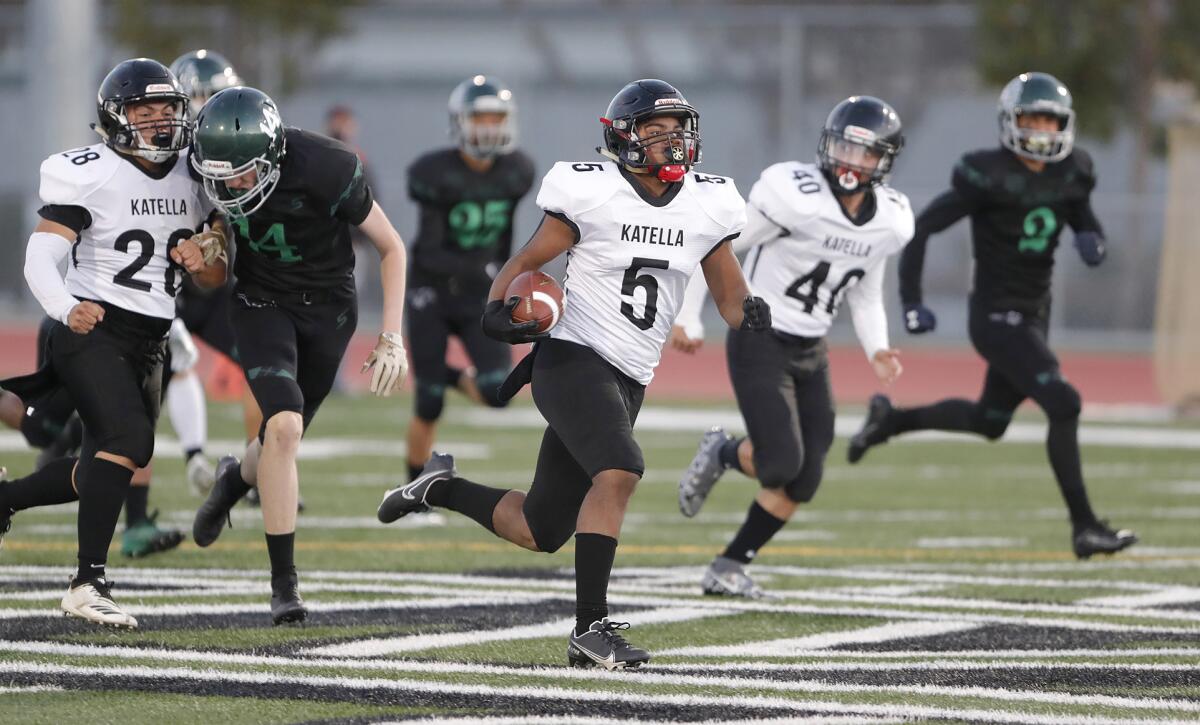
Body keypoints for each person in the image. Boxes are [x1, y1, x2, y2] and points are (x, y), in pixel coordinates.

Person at [376, 79, 771, 668]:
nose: (672, 143)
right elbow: (526, 261)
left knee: (540, 529)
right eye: (655, 133)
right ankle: (590, 632)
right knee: (621, 468)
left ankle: (438, 485)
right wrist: (496, 307)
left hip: (631, 375)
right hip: (572, 357)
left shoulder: (708, 204)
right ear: (626, 140)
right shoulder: (592, 191)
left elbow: (731, 295)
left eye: (677, 131)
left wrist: (757, 315)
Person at [846, 72, 1137, 559]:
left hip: (1034, 314)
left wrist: (1093, 238)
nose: (1042, 131)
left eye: (1051, 121)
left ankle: (889, 422)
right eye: (1033, 120)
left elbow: (1084, 216)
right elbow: (923, 230)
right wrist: (913, 301)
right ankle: (1085, 527)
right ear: (1011, 122)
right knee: (1064, 402)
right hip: (997, 316)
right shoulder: (986, 173)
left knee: (990, 421)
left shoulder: (1075, 170)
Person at [0, 58, 227, 627]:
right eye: (143, 112)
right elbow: (40, 256)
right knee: (130, 440)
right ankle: (87, 581)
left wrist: (209, 252)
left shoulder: (196, 172)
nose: (157, 122)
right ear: (116, 119)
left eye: (167, 110)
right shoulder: (90, 172)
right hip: (91, 325)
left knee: (103, 464)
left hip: (152, 334)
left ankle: (3, 502)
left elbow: (215, 274)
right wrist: (63, 307)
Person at [188, 86, 409, 625]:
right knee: (283, 427)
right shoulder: (210, 174)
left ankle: (232, 480)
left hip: (328, 309)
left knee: (277, 439)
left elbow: (392, 246)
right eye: (221, 174)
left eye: (242, 172)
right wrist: (206, 249)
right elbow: (215, 238)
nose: (231, 185)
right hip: (259, 300)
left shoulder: (328, 165)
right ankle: (283, 585)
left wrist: (391, 336)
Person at [674, 96, 911, 597]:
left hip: (811, 348)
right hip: (760, 337)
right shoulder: (795, 194)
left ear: (883, 161)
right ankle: (721, 451)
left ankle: (728, 565)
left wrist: (878, 349)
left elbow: (866, 292)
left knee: (805, 481)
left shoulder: (888, 220)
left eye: (866, 153)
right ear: (829, 144)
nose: (852, 160)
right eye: (846, 146)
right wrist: (688, 315)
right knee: (781, 463)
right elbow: (718, 247)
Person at [405, 75, 535, 487]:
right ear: (461, 122)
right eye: (480, 118)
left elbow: (506, 238)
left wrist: (504, 274)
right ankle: (414, 490)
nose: (489, 127)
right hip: (433, 289)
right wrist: (479, 269)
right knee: (428, 402)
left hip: (480, 291)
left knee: (499, 392)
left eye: (496, 118)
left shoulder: (517, 170)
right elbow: (427, 250)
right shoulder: (433, 172)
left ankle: (442, 373)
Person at [167, 49, 253, 495]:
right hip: (159, 287)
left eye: (216, 95)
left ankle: (262, 469)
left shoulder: (243, 149)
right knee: (138, 391)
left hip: (213, 287)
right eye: (199, 96)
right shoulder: (162, 151)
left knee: (263, 366)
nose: (208, 106)